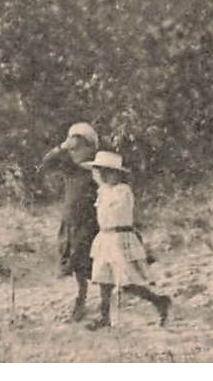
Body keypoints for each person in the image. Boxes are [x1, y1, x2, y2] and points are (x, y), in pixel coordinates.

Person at [81, 150, 172, 329]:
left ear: (118, 174)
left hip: (120, 238)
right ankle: (104, 317)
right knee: (103, 280)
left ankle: (158, 301)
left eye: (109, 172)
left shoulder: (123, 191)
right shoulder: (103, 191)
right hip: (105, 237)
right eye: (101, 172)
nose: (105, 176)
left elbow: (116, 212)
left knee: (126, 281)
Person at [38, 121, 101, 321]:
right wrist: (62, 147)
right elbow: (46, 163)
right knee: (77, 265)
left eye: (80, 147)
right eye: (73, 148)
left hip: (89, 223)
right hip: (72, 222)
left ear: (90, 148)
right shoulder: (71, 168)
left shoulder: (97, 169)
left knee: (90, 263)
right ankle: (81, 302)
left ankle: (99, 303)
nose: (75, 152)